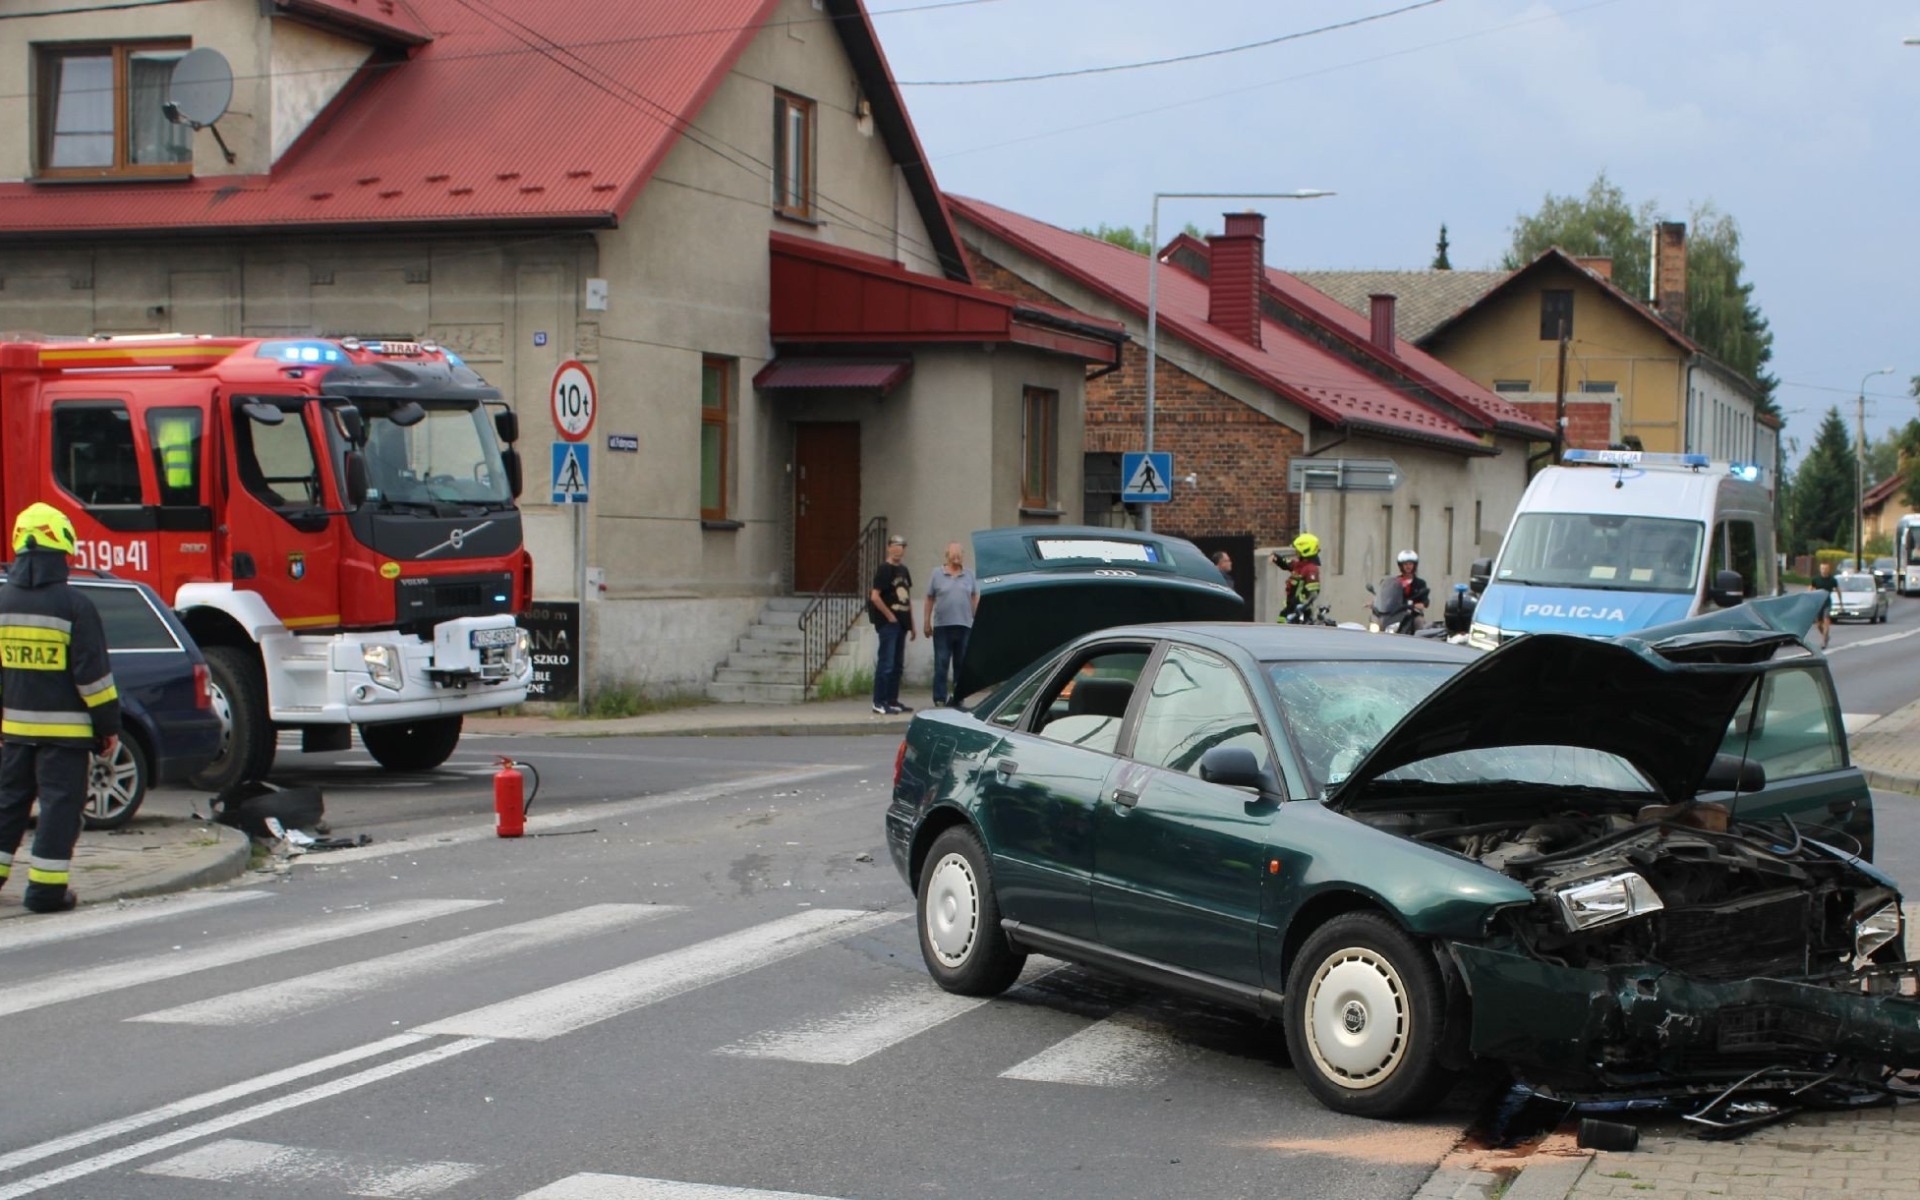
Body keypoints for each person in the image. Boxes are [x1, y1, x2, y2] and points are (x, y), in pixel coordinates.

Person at [0, 503, 120, 914]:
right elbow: (94, 681)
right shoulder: (75, 606)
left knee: (8, 804)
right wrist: (108, 726)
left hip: (14, 733)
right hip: (66, 739)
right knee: (58, 808)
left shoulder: (2, 602)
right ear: (62, 546)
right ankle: (45, 892)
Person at [923, 541, 979, 708]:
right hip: (942, 627)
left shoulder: (969, 575)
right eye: (954, 554)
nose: (957, 557)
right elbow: (929, 598)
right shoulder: (937, 574)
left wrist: (977, 618)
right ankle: (939, 698)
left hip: (964, 626)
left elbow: (974, 596)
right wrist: (926, 622)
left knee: (961, 665)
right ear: (947, 556)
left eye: (960, 554)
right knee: (941, 664)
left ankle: (958, 698)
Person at [869, 534, 915, 715]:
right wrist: (889, 616)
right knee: (886, 663)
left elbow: (908, 598)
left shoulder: (903, 570)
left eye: (901, 546)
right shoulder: (884, 569)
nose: (898, 549)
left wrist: (912, 624)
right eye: (895, 545)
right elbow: (875, 596)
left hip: (902, 623)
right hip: (889, 624)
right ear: (889, 548)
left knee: (897, 665)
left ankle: (892, 700)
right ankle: (878, 701)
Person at [1276, 532, 1323, 622]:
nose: (1296, 552)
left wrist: (1300, 606)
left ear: (1305, 550)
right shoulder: (1300, 565)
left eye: (1298, 550)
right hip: (1290, 610)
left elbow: (1313, 593)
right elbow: (1288, 563)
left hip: (1301, 614)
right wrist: (1275, 558)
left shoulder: (1311, 569)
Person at [1394, 549, 1430, 629]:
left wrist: (1421, 605)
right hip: (1396, 614)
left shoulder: (1420, 583)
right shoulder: (1395, 582)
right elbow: (1388, 596)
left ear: (1414, 565)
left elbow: (1425, 600)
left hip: (1413, 615)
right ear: (1401, 565)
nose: (1408, 566)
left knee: (1420, 622)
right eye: (1405, 564)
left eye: (1410, 564)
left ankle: (1420, 641)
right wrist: (1375, 603)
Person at [1810, 559, 1838, 649]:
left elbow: (1838, 590)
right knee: (1818, 624)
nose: (1824, 570)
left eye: (1826, 568)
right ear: (1820, 569)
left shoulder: (1832, 580)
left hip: (1827, 602)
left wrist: (1840, 603)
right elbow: (1811, 589)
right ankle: (1826, 636)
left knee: (1826, 621)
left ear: (1828, 569)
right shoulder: (1816, 579)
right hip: (1819, 603)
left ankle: (1823, 641)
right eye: (1822, 568)